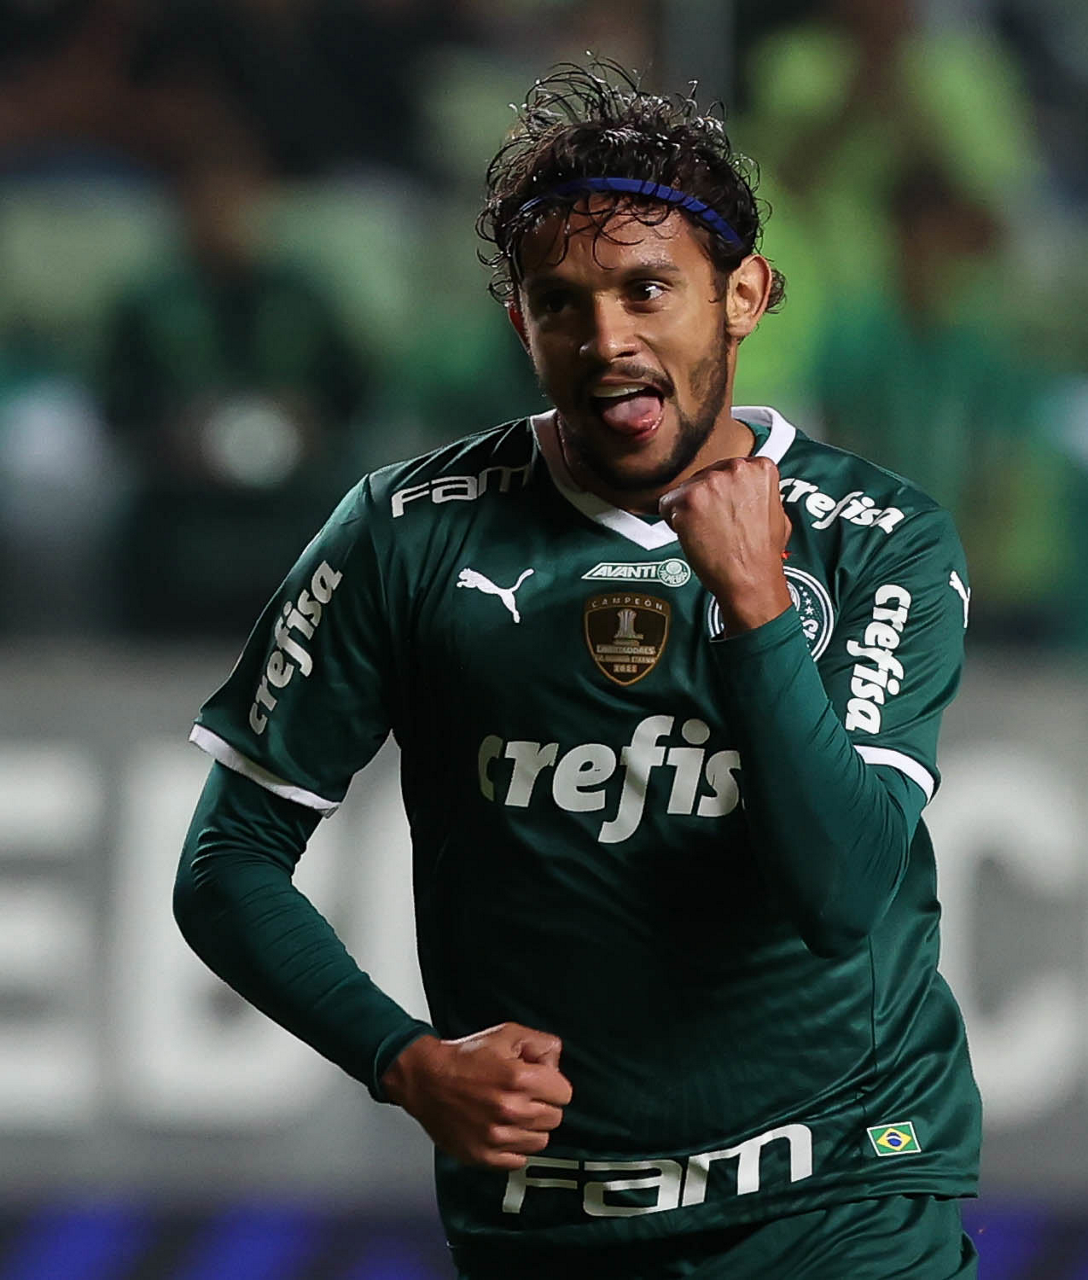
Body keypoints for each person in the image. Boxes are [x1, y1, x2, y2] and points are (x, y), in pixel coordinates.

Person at [175, 63, 981, 1279]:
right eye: (561, 303)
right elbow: (226, 861)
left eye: (647, 289)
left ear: (743, 295)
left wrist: (755, 604)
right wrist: (404, 1060)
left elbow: (842, 893)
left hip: (838, 1203)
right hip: (549, 1220)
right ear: (521, 323)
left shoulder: (874, 538)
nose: (607, 341)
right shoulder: (406, 531)